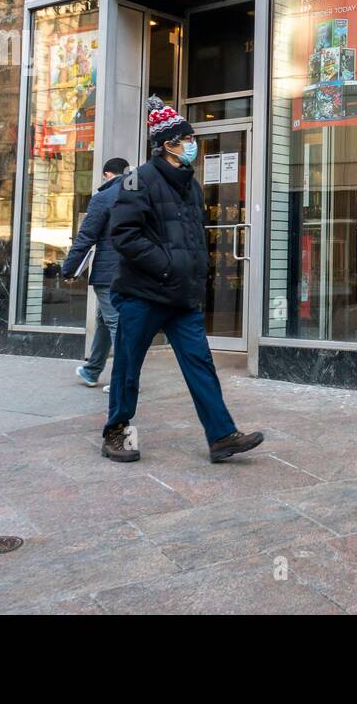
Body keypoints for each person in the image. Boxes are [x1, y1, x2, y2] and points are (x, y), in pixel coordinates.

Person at [101, 95, 263, 464]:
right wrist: (167, 266)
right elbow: (125, 235)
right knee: (128, 366)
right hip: (143, 294)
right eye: (187, 139)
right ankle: (116, 431)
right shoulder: (136, 180)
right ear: (168, 145)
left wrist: (194, 274)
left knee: (200, 364)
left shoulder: (189, 184)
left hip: (182, 298)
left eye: (192, 138)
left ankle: (222, 436)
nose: (193, 144)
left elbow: (192, 235)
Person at [62, 156, 130, 391]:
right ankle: (92, 370)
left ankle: (125, 380)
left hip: (110, 272)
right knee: (104, 319)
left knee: (115, 322)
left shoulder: (103, 198)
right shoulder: (141, 195)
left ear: (107, 175)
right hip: (136, 270)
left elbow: (86, 237)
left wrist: (69, 268)